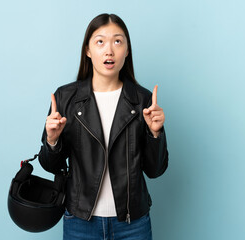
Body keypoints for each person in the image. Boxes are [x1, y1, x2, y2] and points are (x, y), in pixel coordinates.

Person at [39, 13, 169, 240]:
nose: (109, 50)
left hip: (132, 224)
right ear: (88, 50)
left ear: (127, 51)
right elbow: (51, 166)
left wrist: (155, 134)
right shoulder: (66, 98)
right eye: (100, 41)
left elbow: (155, 170)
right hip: (80, 222)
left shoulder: (143, 101)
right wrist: (52, 141)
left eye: (117, 41)